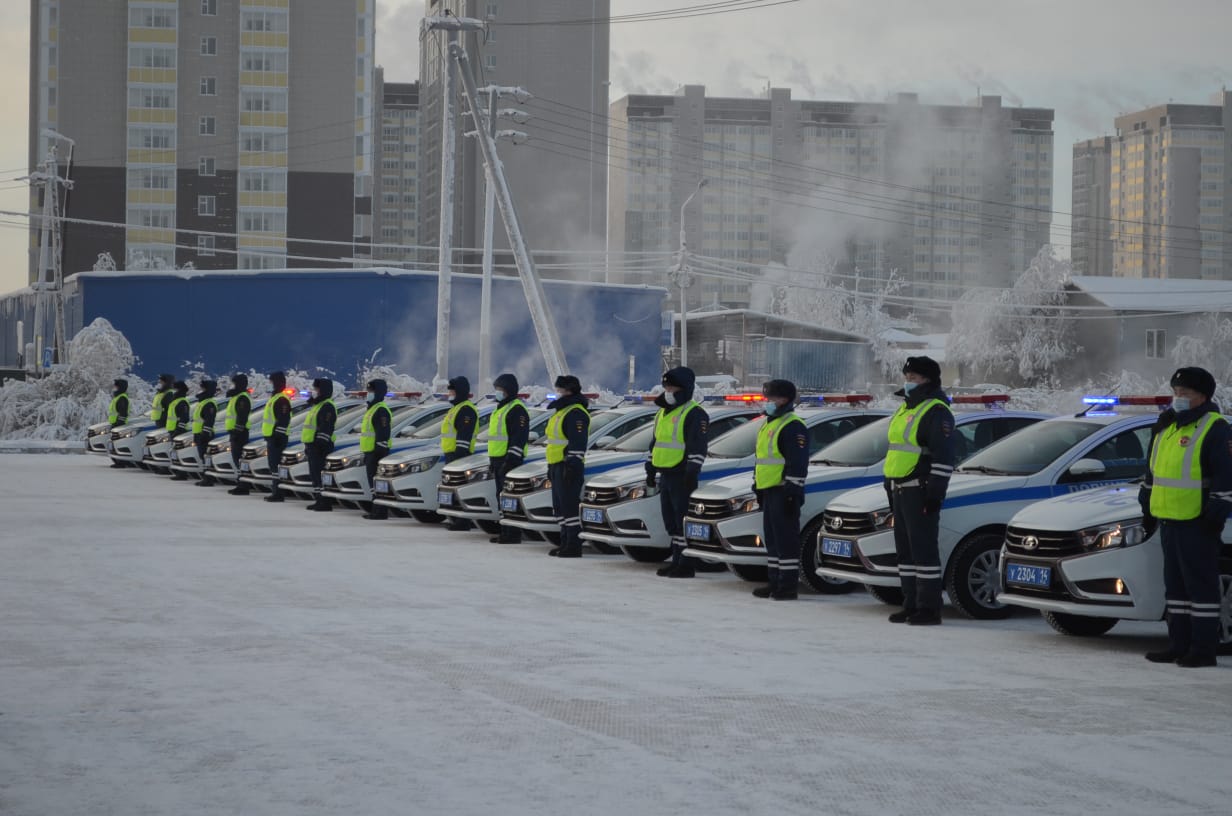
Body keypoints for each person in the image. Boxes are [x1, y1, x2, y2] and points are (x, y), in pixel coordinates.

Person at [1140, 367, 1232, 668]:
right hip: (1168, 518)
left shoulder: (1214, 427)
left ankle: (1203, 650)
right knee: (1176, 588)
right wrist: (1146, 503)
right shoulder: (1167, 426)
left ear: (1202, 396)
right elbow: (1153, 471)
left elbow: (1225, 474)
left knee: (1201, 588)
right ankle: (1178, 645)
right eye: (1176, 392)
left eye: (1185, 393)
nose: (1178, 398)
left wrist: (1217, 510)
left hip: (1197, 521)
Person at [884, 356, 956, 626]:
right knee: (905, 553)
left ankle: (929, 608)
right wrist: (888, 484)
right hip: (899, 488)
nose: (908, 382)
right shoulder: (905, 409)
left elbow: (943, 457)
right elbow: (896, 452)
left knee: (924, 552)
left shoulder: (936, 411)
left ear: (928, 380)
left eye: (914, 378)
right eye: (907, 377)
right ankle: (910, 603)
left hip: (920, 489)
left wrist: (935, 495)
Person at [648, 367, 710, 578]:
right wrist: (650, 467)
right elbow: (656, 442)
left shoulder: (694, 413)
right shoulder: (663, 412)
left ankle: (686, 563)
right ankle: (677, 559)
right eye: (666, 386)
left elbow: (698, 446)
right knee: (671, 521)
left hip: (682, 474)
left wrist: (692, 471)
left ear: (684, 388)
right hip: (665, 473)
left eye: (672, 387)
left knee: (683, 519)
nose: (668, 390)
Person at [751, 379, 809, 599]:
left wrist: (793, 492)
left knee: (786, 540)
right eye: (768, 398)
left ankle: (787, 586)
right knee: (773, 540)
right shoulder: (769, 423)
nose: (768, 402)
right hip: (769, 490)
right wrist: (757, 485)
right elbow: (762, 459)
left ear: (785, 399)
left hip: (784, 491)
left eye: (772, 398)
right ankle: (774, 581)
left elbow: (797, 462)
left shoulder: (792, 425)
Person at [545, 375, 590, 558]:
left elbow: (577, 442)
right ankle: (565, 542)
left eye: (560, 390)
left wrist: (571, 465)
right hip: (557, 465)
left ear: (569, 390)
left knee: (569, 507)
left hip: (568, 466)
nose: (557, 393)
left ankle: (573, 545)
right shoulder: (561, 411)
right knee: (560, 507)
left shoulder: (576, 412)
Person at [487, 373, 530, 542]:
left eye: (500, 389)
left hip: (509, 461)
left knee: (510, 498)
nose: (497, 392)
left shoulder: (517, 409)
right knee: (501, 497)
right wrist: (493, 461)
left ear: (508, 390)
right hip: (498, 460)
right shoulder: (501, 409)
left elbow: (518, 438)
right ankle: (504, 530)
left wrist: (510, 460)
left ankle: (513, 533)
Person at [440, 376, 479, 531]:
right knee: (451, 488)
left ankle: (463, 522)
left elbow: (464, 435)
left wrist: (459, 456)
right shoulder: (456, 408)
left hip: (460, 456)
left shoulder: (466, 410)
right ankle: (455, 518)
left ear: (460, 392)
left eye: (452, 391)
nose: (449, 393)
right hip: (451, 455)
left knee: (460, 488)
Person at [302, 378, 338, 512]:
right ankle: (318, 499)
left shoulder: (327, 406)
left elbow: (326, 426)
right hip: (312, 445)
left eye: (317, 389)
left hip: (321, 446)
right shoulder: (317, 405)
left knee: (320, 473)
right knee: (315, 474)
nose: (315, 391)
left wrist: (319, 444)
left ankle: (324, 501)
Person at [360, 378, 394, 520]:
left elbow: (383, 432)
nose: (369, 394)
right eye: (368, 391)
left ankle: (380, 511)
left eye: (372, 391)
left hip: (377, 452)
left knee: (378, 482)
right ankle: (376, 509)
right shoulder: (372, 408)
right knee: (373, 483)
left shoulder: (381, 410)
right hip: (370, 451)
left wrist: (379, 449)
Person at [262, 371, 294, 503]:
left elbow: (283, 419)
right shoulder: (274, 398)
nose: (270, 384)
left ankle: (278, 492)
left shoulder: (281, 399)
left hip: (277, 438)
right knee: (273, 465)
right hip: (272, 437)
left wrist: (278, 435)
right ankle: (275, 490)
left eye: (272, 382)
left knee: (276, 465)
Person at [176, 379, 217, 482]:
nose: (201, 390)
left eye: (203, 388)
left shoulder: (209, 403)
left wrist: (205, 432)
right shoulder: (202, 402)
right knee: (201, 455)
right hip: (198, 433)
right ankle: (205, 476)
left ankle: (209, 479)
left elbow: (209, 420)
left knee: (205, 456)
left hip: (204, 434)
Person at [224, 373, 254, 494]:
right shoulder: (235, 397)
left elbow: (242, 416)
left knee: (240, 459)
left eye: (235, 383)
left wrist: (237, 430)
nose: (233, 386)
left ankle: (244, 485)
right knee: (237, 459)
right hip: (235, 432)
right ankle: (240, 482)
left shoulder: (242, 397)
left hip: (240, 433)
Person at [108, 379, 130, 468]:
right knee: (114, 443)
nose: (115, 387)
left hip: (119, 425)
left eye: (116, 385)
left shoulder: (122, 398)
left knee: (119, 443)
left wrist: (118, 423)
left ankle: (121, 462)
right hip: (115, 424)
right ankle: (118, 461)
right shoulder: (118, 397)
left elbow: (123, 412)